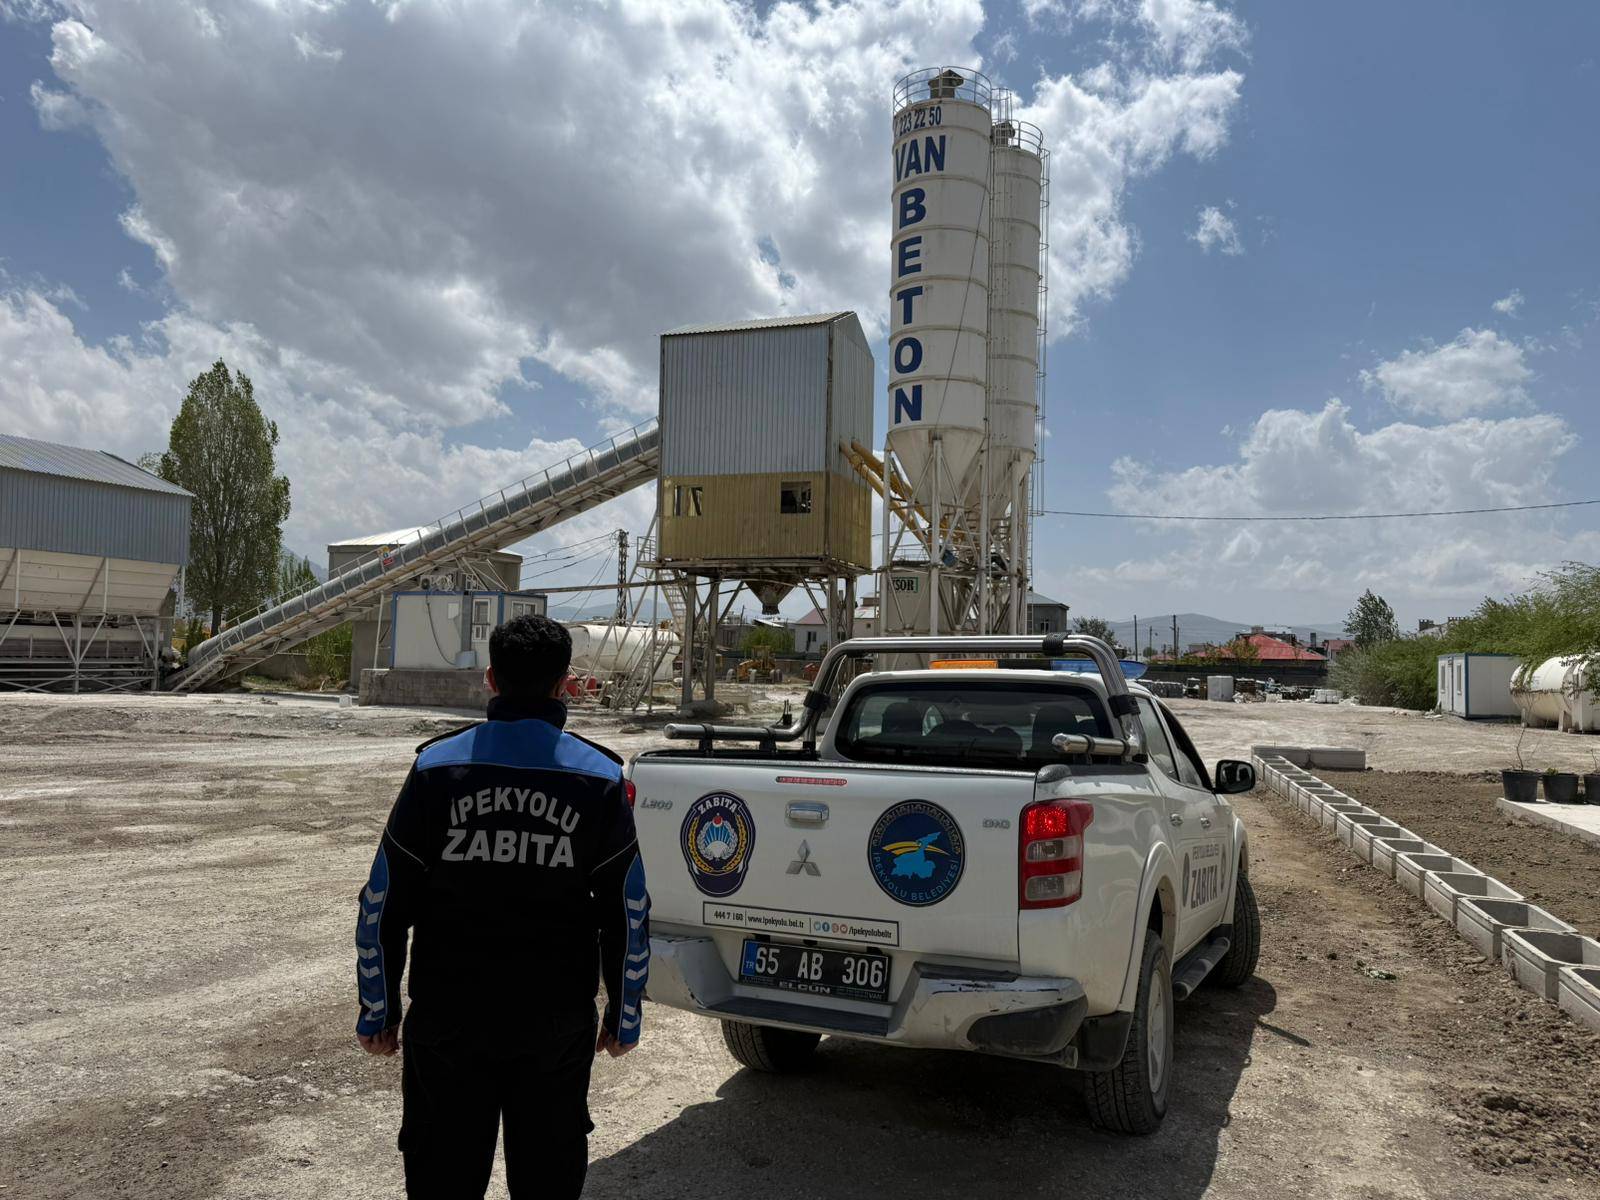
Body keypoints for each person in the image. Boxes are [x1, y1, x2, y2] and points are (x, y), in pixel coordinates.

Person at [354, 613, 649, 1198]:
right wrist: (625, 1014)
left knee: (442, 1177)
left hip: (450, 1020)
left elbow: (384, 900)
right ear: (565, 684)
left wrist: (377, 1010)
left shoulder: (438, 768)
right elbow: (628, 907)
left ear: (490, 678)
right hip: (554, 1024)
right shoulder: (600, 777)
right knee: (547, 1178)